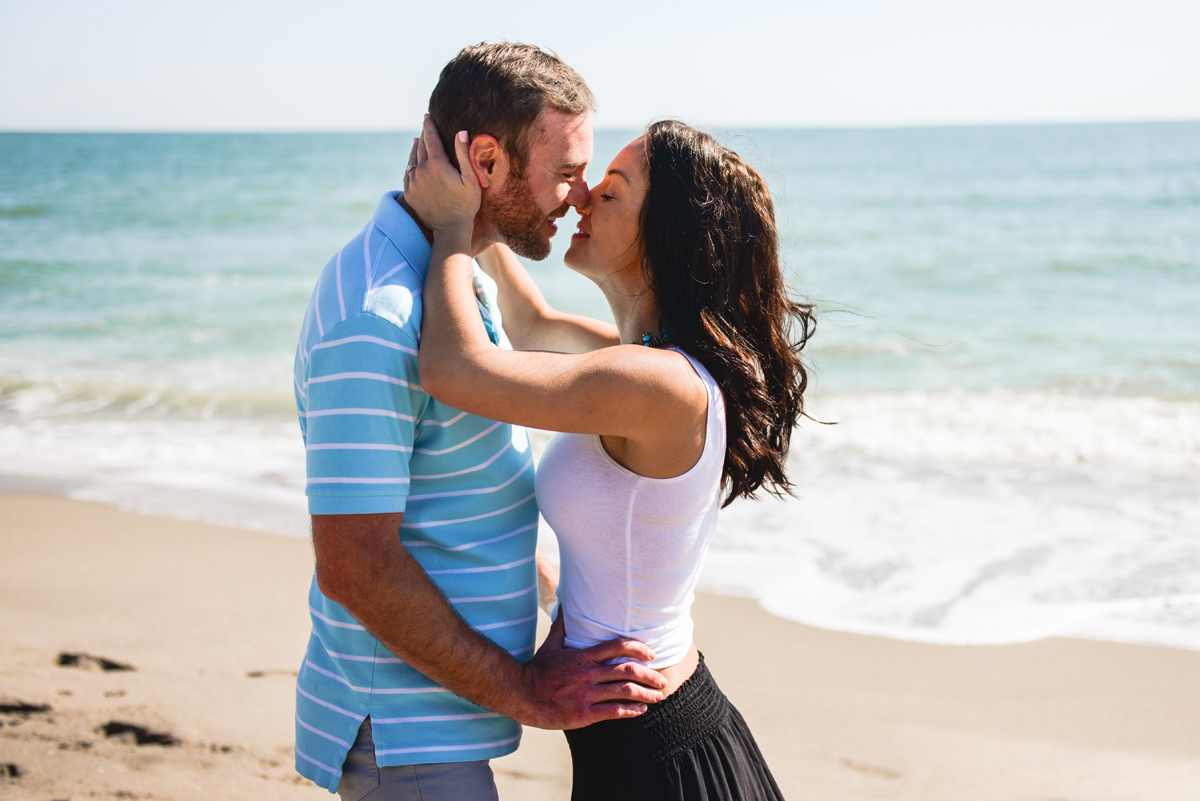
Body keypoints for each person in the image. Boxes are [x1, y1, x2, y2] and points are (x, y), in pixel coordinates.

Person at [291, 43, 668, 800]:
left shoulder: (452, 266)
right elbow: (355, 564)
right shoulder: (381, 315)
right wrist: (530, 692)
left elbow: (452, 466)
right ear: (486, 163)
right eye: (564, 172)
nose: (579, 195)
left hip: (439, 724)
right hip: (406, 736)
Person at [405, 115, 813, 799]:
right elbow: (530, 321)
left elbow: (453, 369)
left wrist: (450, 228)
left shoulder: (656, 385)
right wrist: (483, 202)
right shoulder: (647, 363)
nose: (586, 196)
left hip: (657, 755)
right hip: (636, 737)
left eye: (614, 191)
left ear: (664, 238)